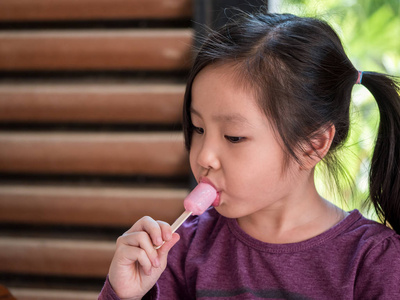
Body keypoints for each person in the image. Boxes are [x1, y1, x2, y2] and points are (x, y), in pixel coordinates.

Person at [99, 11, 400, 299]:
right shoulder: (181, 251)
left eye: (234, 137)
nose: (205, 156)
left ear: (312, 145)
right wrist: (126, 295)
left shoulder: (374, 261)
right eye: (198, 128)